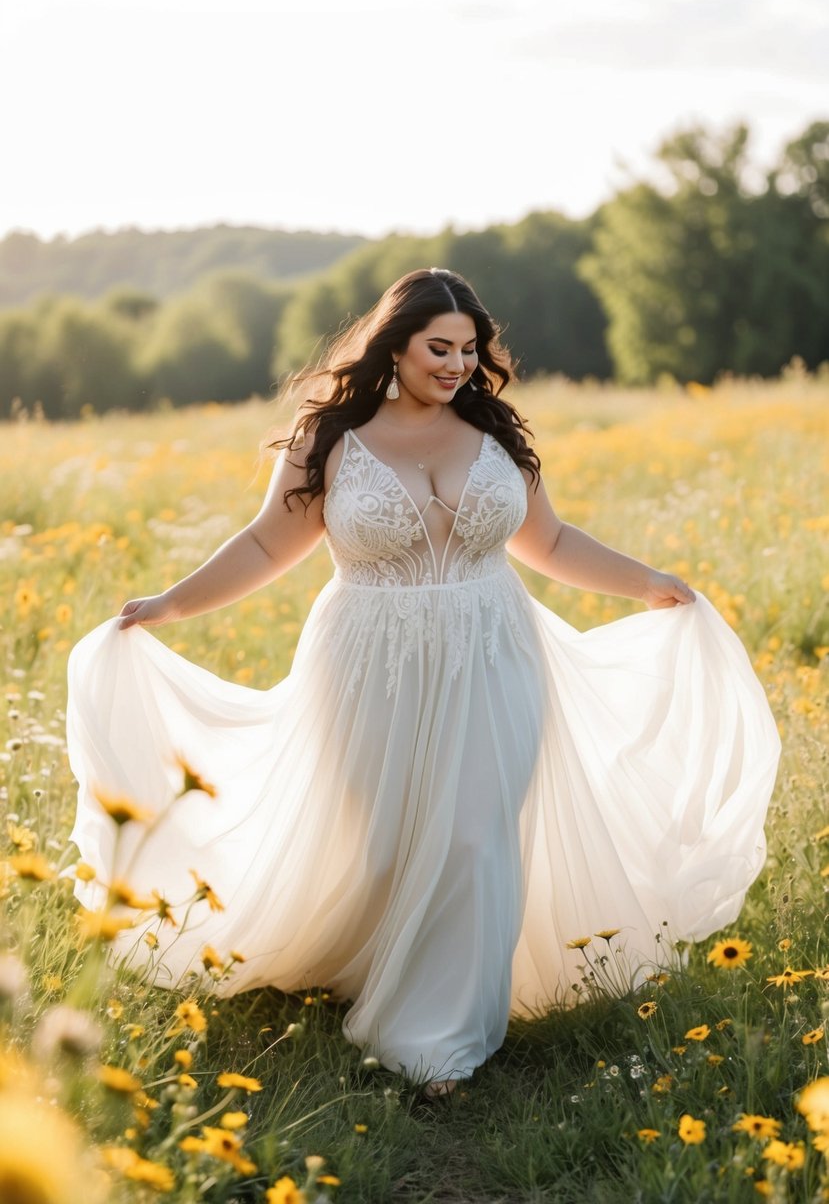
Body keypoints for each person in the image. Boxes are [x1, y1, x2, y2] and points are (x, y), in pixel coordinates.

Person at [66, 268, 780, 1100]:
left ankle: (435, 1041)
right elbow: (266, 545)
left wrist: (647, 580)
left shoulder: (496, 435)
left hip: (493, 649)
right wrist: (169, 604)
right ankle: (360, 964)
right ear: (393, 348)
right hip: (369, 661)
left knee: (476, 835)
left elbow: (547, 541)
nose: (456, 365)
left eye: (469, 350)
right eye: (438, 348)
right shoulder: (330, 438)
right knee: (380, 845)